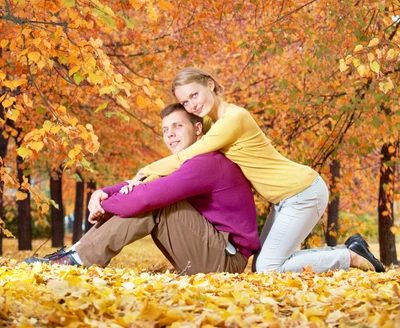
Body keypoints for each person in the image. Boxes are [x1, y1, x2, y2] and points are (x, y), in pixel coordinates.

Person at [128, 67, 385, 274]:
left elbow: (188, 154)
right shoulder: (212, 121)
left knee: (268, 267)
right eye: (184, 101)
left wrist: (146, 170)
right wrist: (153, 177)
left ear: (210, 84)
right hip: (285, 198)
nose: (191, 105)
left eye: (194, 95)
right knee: (264, 262)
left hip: (302, 192)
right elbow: (186, 146)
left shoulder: (233, 120)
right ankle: (350, 249)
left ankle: (348, 257)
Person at [24, 104, 260, 274]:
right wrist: (103, 192)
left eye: (177, 126)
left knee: (157, 204)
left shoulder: (206, 162)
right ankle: (75, 255)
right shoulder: (185, 162)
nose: (170, 134)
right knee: (147, 198)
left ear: (198, 129)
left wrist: (105, 206)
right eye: (166, 130)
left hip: (227, 261)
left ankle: (76, 259)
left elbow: (148, 197)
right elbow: (146, 181)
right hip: (212, 252)